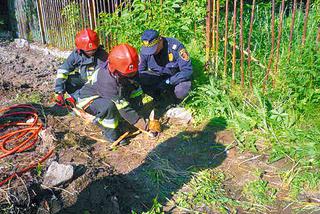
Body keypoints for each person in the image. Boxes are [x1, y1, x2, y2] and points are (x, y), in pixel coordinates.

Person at [55, 43, 149, 144]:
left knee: (133, 88)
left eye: (133, 72)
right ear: (115, 69)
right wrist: (145, 125)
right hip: (89, 99)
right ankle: (110, 134)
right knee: (109, 106)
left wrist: (138, 111)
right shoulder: (107, 80)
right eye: (128, 74)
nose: (132, 75)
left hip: (108, 94)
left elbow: (135, 90)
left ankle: (122, 122)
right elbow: (123, 107)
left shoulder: (126, 69)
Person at [138, 29, 193, 105]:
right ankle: (160, 99)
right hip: (158, 78)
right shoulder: (145, 51)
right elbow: (140, 71)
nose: (152, 52)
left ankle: (175, 102)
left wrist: (169, 81)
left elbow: (187, 71)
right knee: (142, 78)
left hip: (175, 79)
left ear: (160, 40)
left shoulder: (176, 47)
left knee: (182, 90)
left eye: (154, 48)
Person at [54, 28, 108, 102]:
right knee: (68, 81)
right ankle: (78, 99)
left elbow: (104, 77)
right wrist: (59, 91)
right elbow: (63, 70)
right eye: (88, 50)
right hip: (84, 79)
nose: (91, 52)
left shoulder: (103, 55)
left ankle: (88, 100)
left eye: (94, 49)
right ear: (80, 48)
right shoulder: (76, 55)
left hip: (98, 85)